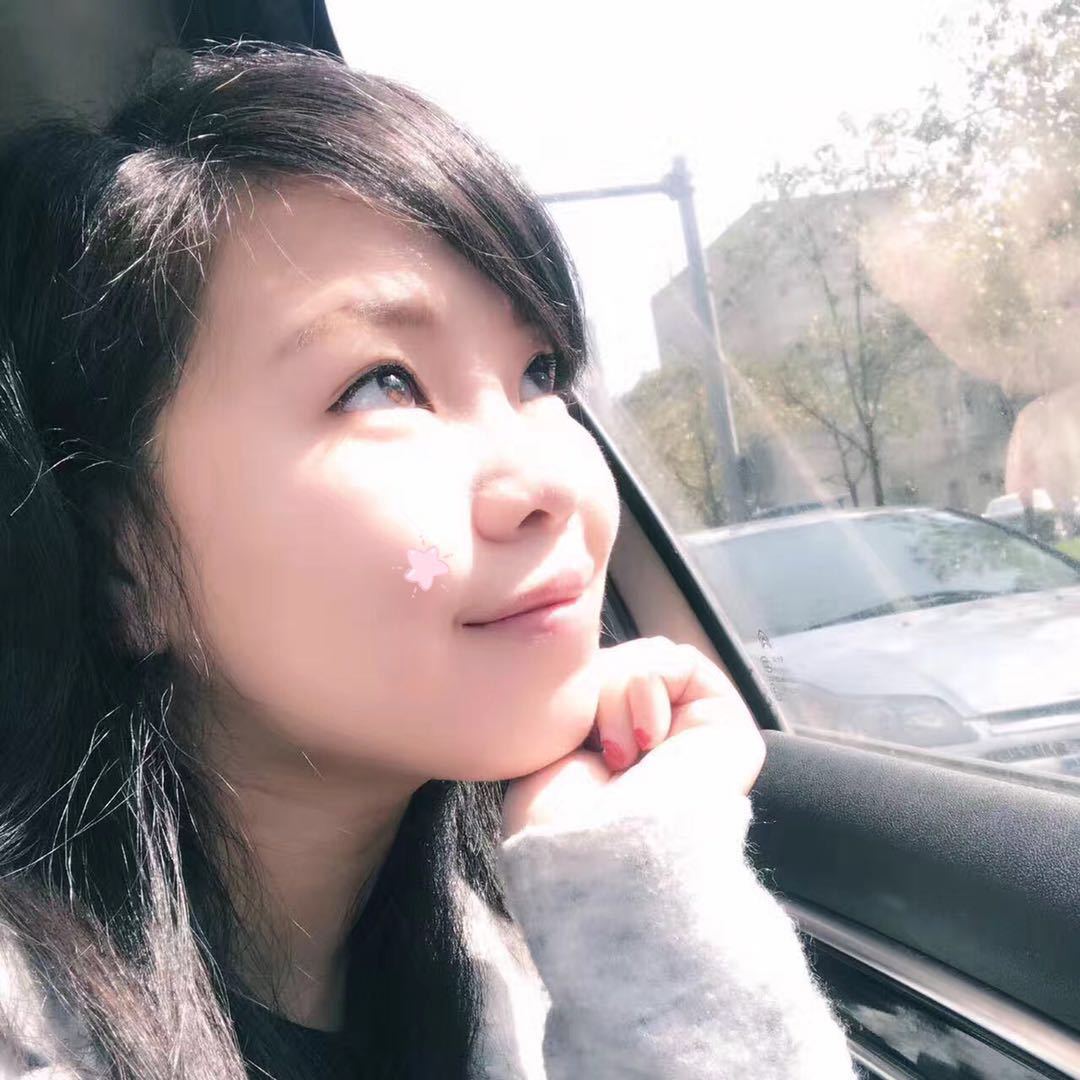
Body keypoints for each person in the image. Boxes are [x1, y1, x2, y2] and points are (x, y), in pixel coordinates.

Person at [0, 41, 856, 1079]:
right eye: (382, 385)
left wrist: (635, 874)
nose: (545, 480)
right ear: (122, 561)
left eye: (540, 371)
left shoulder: (532, 966)